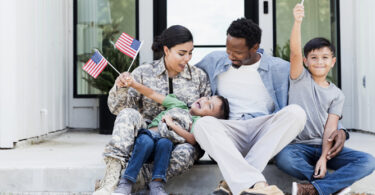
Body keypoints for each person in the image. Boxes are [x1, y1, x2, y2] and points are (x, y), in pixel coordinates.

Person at [193, 18, 307, 195]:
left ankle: (232, 184)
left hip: (264, 134)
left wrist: (337, 127)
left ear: (254, 47)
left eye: (237, 52)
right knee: (202, 125)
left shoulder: (279, 68)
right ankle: (257, 185)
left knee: (297, 113)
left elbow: (312, 95)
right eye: (228, 49)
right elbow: (185, 79)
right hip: (229, 135)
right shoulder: (214, 60)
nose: (230, 55)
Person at [93, 25, 211, 195]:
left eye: (190, 52)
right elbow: (118, 109)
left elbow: (206, 117)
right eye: (182, 53)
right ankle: (111, 178)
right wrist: (120, 87)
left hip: (180, 141)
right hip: (145, 137)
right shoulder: (143, 73)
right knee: (128, 114)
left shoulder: (199, 77)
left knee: (186, 153)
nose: (187, 58)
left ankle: (137, 180)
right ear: (166, 50)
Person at [274, 4, 375, 195]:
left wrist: (323, 158)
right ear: (305, 61)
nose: (319, 61)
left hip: (325, 148)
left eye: (324, 57)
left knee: (368, 161)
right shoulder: (299, 78)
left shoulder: (337, 94)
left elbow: (331, 128)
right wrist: (297, 21)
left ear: (333, 61)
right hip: (297, 147)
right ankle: (334, 187)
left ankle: (312, 189)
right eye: (314, 57)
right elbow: (295, 51)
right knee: (283, 159)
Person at [112, 72, 230, 195]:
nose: (205, 101)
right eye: (208, 98)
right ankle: (126, 182)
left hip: (164, 145)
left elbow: (192, 139)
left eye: (209, 106)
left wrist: (172, 124)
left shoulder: (197, 123)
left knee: (165, 144)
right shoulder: (179, 104)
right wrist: (134, 84)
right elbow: (152, 94)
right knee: (145, 142)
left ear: (209, 118)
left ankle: (157, 185)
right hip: (149, 136)